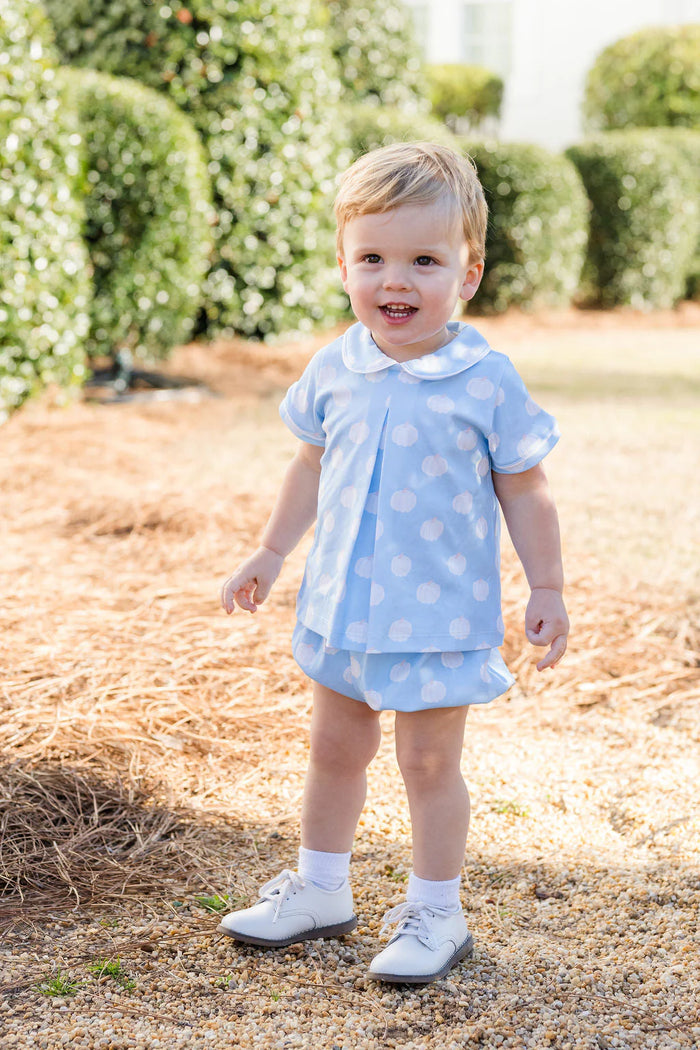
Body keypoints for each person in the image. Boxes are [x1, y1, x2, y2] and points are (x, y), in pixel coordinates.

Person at [217, 142, 569, 984]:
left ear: (468, 274)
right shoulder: (336, 365)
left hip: (438, 615)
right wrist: (271, 549)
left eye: (423, 260)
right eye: (372, 258)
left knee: (427, 763)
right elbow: (310, 465)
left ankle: (436, 912)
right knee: (334, 750)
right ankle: (321, 887)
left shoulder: (484, 380)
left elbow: (527, 488)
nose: (395, 281)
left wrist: (547, 584)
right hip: (341, 606)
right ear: (344, 265)